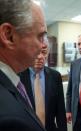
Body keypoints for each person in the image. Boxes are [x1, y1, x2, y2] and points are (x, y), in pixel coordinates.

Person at [0, 0, 47, 131]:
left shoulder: (12, 81)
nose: (43, 45)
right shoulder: (8, 118)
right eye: (40, 36)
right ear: (8, 35)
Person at [19, 42, 67, 131]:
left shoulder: (55, 76)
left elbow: (60, 111)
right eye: (35, 52)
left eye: (43, 52)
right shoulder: (18, 76)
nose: (40, 57)